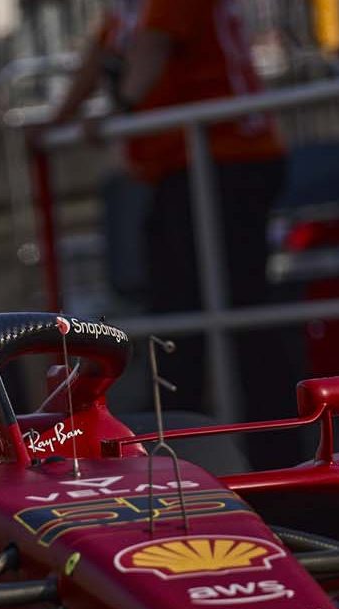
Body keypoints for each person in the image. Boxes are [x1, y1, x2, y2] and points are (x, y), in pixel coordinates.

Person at [44, 0, 292, 466]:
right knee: (179, 314)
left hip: (226, 158)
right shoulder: (128, 9)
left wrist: (116, 111)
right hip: (187, 165)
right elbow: (103, 53)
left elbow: (151, 51)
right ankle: (183, 451)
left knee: (235, 313)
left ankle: (268, 455)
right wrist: (59, 120)